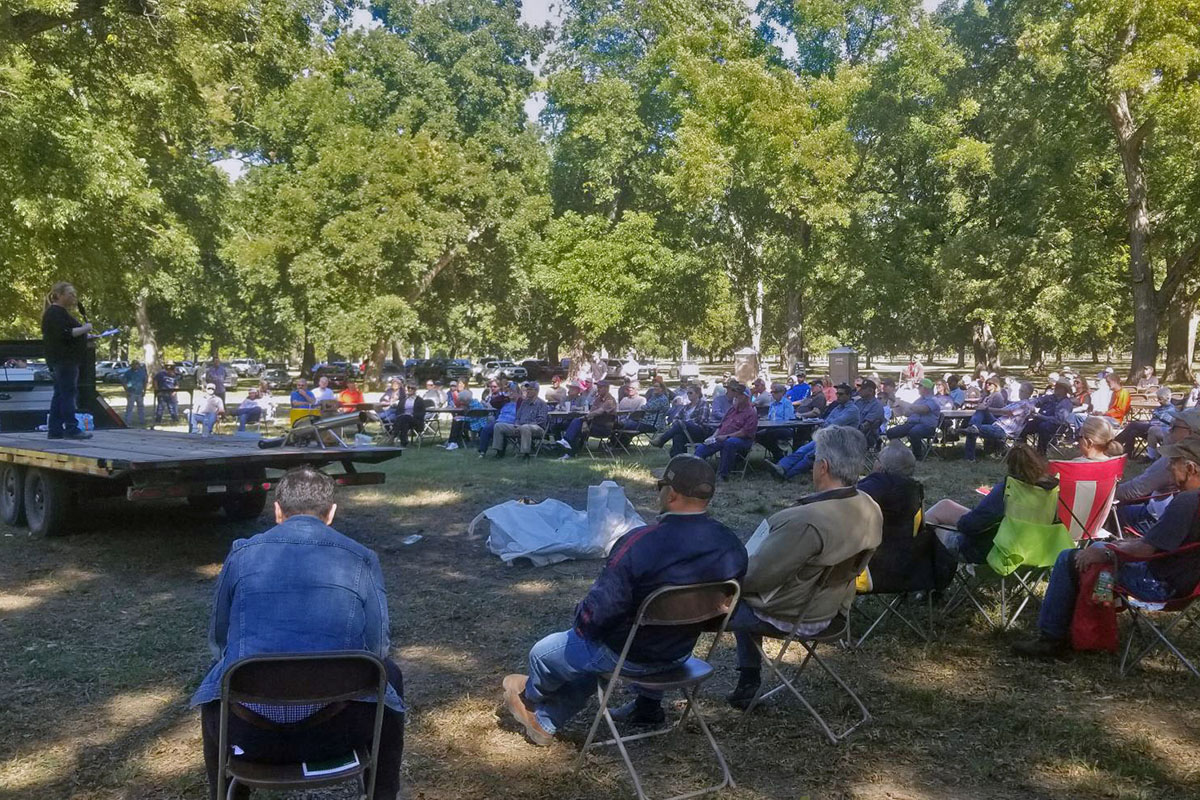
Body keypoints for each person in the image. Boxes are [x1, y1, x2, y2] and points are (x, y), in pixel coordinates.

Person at [191, 467, 405, 800]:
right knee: (389, 674)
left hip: (249, 735)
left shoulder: (240, 553)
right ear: (331, 514)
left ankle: (222, 791)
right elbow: (378, 648)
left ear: (277, 511)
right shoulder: (362, 558)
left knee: (217, 678)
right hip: (337, 732)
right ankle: (382, 794)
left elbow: (219, 641)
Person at [501, 455, 747, 741]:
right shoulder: (731, 545)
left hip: (627, 655)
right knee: (596, 660)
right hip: (680, 653)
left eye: (660, 485)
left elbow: (599, 613)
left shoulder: (640, 542)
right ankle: (551, 720)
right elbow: (723, 611)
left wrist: (581, 624)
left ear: (672, 494)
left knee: (544, 653)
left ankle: (530, 696)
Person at [725, 426, 882, 708]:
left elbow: (753, 580)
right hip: (833, 610)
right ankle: (748, 679)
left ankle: (653, 692)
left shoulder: (805, 520)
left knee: (713, 604)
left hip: (795, 614)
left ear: (822, 467)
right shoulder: (870, 505)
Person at [1013, 437, 1200, 660]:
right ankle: (1082, 627)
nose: (1168, 467)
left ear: (1190, 468)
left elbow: (1146, 551)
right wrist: (1117, 545)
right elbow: (1158, 545)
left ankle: (1051, 639)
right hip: (1187, 584)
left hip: (1159, 584)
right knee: (1094, 549)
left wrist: (1107, 551)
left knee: (1068, 558)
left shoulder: (1188, 502)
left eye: (1174, 462)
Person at [926, 444, 1056, 564]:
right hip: (1036, 548)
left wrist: (961, 522)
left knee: (934, 527)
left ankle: (912, 561)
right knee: (945, 505)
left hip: (994, 550)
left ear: (1010, 466)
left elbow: (972, 526)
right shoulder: (1052, 491)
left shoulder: (1008, 491)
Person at [1115, 409, 1200, 534]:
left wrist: (1102, 495)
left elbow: (1134, 490)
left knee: (1112, 513)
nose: (1169, 430)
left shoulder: (1176, 461)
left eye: (1174, 427)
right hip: (1170, 519)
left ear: (1190, 433)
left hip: (1157, 522)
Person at [770, 383, 861, 481]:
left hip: (841, 441)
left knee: (810, 455)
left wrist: (825, 425)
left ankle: (787, 475)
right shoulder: (838, 407)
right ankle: (781, 466)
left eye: (841, 394)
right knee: (802, 450)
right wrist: (825, 425)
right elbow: (827, 421)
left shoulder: (852, 410)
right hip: (827, 436)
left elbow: (834, 424)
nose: (837, 396)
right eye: (837, 394)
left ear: (848, 395)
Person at [40, 282, 93, 440]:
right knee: (68, 394)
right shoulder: (55, 313)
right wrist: (85, 328)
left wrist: (86, 336)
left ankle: (55, 429)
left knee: (60, 394)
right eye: (70, 294)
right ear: (60, 295)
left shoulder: (61, 313)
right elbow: (65, 333)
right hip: (64, 360)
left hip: (65, 360)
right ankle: (71, 427)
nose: (73, 298)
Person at [693, 381, 758, 480]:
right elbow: (721, 426)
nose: (736, 396)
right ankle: (697, 473)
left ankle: (723, 474)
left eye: (740, 394)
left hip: (742, 440)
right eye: (736, 393)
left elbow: (744, 432)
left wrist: (727, 436)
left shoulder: (751, 413)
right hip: (721, 437)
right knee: (702, 447)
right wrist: (713, 436)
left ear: (746, 397)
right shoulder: (731, 410)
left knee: (729, 443)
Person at [961, 381, 1035, 461]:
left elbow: (1004, 412)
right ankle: (972, 427)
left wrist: (986, 408)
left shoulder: (1025, 405)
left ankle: (969, 457)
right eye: (1020, 390)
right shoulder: (1019, 402)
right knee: (980, 412)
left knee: (977, 421)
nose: (1019, 392)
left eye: (1022, 391)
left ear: (1028, 393)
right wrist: (984, 408)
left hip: (1004, 430)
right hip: (997, 423)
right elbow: (1003, 411)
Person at [556, 381, 617, 459]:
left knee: (576, 423)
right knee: (574, 425)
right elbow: (591, 412)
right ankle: (569, 450)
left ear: (607, 389)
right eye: (598, 387)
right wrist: (584, 422)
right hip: (593, 425)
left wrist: (584, 419)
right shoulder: (597, 399)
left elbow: (598, 412)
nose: (598, 389)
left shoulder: (610, 401)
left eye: (600, 388)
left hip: (604, 428)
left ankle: (568, 446)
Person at [491, 381, 549, 459]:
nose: (527, 391)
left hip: (536, 428)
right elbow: (518, 416)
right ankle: (499, 452)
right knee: (498, 426)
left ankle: (525, 454)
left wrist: (527, 425)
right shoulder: (524, 403)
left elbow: (541, 420)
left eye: (530, 389)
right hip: (520, 426)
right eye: (527, 389)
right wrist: (517, 424)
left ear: (536, 391)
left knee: (525, 427)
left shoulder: (542, 404)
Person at [885, 378, 941, 459]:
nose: (918, 388)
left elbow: (924, 410)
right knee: (891, 432)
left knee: (914, 432)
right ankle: (898, 452)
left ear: (925, 388)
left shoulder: (933, 400)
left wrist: (908, 405)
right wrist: (900, 406)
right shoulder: (919, 400)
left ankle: (917, 456)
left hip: (927, 426)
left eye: (920, 386)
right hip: (912, 423)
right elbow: (908, 413)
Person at [1115, 386, 1177, 460]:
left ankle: (1115, 443)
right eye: (1158, 399)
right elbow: (1153, 420)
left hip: (1160, 431)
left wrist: (1154, 420)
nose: (1158, 401)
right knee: (1132, 431)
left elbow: (1166, 423)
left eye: (1160, 399)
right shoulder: (1159, 408)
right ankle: (1127, 454)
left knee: (1133, 424)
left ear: (1166, 398)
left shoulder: (1171, 409)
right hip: (1151, 428)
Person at [650, 384, 711, 457]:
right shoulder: (686, 407)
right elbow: (676, 418)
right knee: (678, 436)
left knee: (681, 424)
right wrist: (682, 423)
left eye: (691, 393)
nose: (688, 395)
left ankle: (661, 440)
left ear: (697, 394)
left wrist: (685, 423)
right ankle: (679, 460)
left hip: (699, 432)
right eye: (687, 393)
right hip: (685, 431)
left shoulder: (703, 404)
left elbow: (701, 420)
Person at [1031, 379, 1076, 454]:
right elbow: (1038, 400)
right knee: (1026, 424)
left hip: (1057, 426)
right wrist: (1031, 404)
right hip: (1041, 420)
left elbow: (1059, 420)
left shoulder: (1066, 403)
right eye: (1056, 387)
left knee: (1043, 426)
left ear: (1064, 390)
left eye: (1059, 387)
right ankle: (1020, 448)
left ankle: (1041, 452)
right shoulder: (1050, 397)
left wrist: (1041, 416)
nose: (1055, 389)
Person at [755, 383, 797, 461]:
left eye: (775, 392)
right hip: (771, 427)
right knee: (756, 435)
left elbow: (788, 419)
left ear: (781, 393)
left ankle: (778, 456)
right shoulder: (772, 404)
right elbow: (770, 417)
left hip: (785, 428)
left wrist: (775, 424)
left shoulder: (787, 403)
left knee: (769, 434)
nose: (773, 394)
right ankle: (777, 452)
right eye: (772, 392)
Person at [855, 379, 887, 450]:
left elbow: (865, 426)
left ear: (871, 391)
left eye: (863, 389)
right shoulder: (858, 402)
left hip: (861, 435)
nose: (860, 390)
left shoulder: (877, 406)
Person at [121, 359, 148, 427]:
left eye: (137, 364)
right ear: (132, 365)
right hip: (131, 393)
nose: (135, 366)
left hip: (139, 392)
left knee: (141, 407)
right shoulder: (128, 373)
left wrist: (144, 391)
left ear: (139, 365)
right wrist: (127, 390)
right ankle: (127, 421)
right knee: (130, 407)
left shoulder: (142, 372)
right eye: (134, 364)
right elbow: (124, 382)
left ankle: (142, 420)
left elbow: (144, 382)